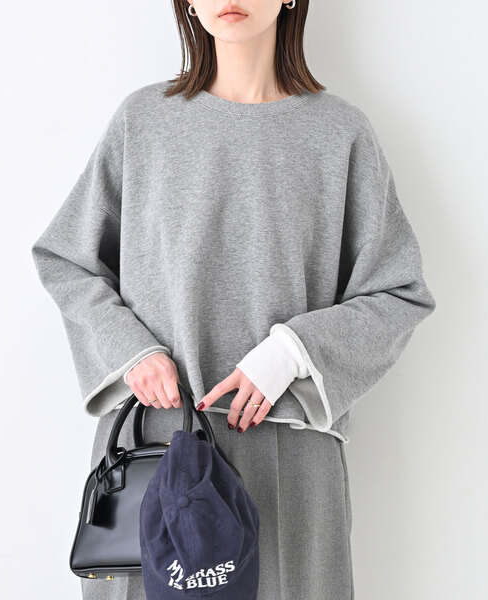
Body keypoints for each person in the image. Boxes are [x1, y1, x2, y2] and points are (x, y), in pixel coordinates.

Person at [31, 1, 437, 599]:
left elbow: (400, 292)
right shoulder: (143, 121)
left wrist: (292, 355)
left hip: (290, 463)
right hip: (154, 454)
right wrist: (132, 350)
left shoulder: (339, 132)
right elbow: (65, 258)